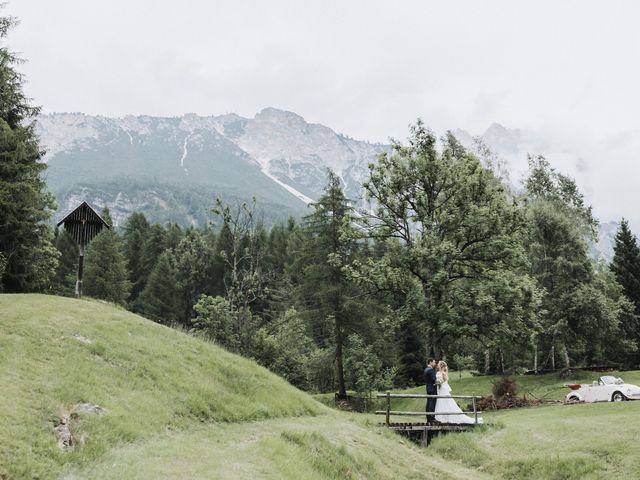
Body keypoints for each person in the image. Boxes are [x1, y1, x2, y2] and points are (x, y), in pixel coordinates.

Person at [424, 358, 438, 423]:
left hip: (428, 388)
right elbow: (434, 380)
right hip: (432, 388)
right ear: (430, 362)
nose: (435, 364)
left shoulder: (426, 369)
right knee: (432, 403)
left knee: (428, 403)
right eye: (434, 362)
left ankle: (428, 418)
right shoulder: (431, 370)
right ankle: (432, 418)